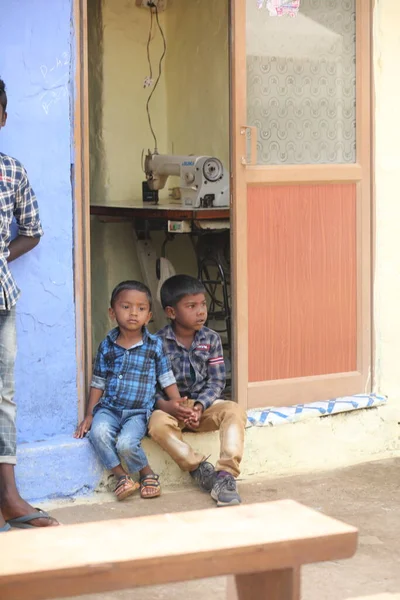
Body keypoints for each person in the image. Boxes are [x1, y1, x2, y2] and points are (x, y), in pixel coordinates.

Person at [0, 78, 58, 531]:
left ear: (2, 116)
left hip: (0, 299)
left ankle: (8, 498)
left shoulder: (12, 171)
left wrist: (2, 255)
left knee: (3, 399)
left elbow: (33, 230)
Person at [75, 280, 183, 500]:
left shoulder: (154, 345)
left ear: (149, 315)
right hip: (109, 408)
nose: (133, 313)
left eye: (141, 308)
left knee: (126, 443)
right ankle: (122, 476)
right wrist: (89, 414)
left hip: (138, 412)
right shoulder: (107, 344)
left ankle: (146, 473)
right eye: (126, 307)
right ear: (112, 312)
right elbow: (98, 381)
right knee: (98, 433)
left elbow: (166, 377)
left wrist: (178, 406)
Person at [148, 274, 247, 507]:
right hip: (171, 409)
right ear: (171, 312)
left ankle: (225, 475)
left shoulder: (211, 339)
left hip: (204, 407)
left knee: (234, 410)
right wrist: (169, 406)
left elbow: (217, 381)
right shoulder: (156, 343)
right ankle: (200, 469)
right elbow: (150, 387)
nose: (201, 311)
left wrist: (201, 405)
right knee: (156, 424)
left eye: (203, 304)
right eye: (191, 306)